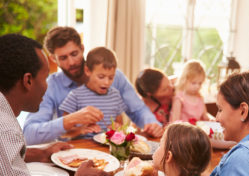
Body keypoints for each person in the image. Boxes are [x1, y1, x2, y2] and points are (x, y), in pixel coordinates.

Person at [0, 34, 107, 176]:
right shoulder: (4, 128)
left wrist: (40, 154)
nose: (48, 85)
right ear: (28, 80)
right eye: (45, 77)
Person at [23, 26, 162, 145]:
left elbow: (137, 109)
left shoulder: (114, 77)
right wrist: (69, 120)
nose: (71, 62)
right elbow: (28, 134)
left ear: (82, 48)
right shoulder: (52, 85)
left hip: (110, 151)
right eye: (63, 58)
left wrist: (152, 124)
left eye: (74, 54)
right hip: (72, 154)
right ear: (53, 59)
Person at [59, 47, 126, 139]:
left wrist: (118, 128)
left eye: (111, 77)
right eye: (101, 77)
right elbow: (63, 133)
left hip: (106, 148)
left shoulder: (115, 95)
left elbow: (120, 124)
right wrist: (81, 130)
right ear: (87, 71)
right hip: (83, 148)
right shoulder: (76, 96)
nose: (107, 82)